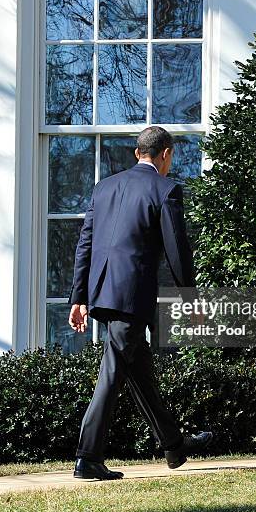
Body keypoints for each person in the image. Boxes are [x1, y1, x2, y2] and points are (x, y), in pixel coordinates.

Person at [67, 126, 213, 480]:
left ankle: (174, 446)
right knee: (114, 370)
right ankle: (88, 457)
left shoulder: (104, 188)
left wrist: (79, 297)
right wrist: (190, 298)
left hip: (102, 292)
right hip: (131, 295)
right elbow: (178, 251)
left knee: (138, 371)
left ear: (137, 153)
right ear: (166, 154)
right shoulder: (165, 189)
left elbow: (85, 243)